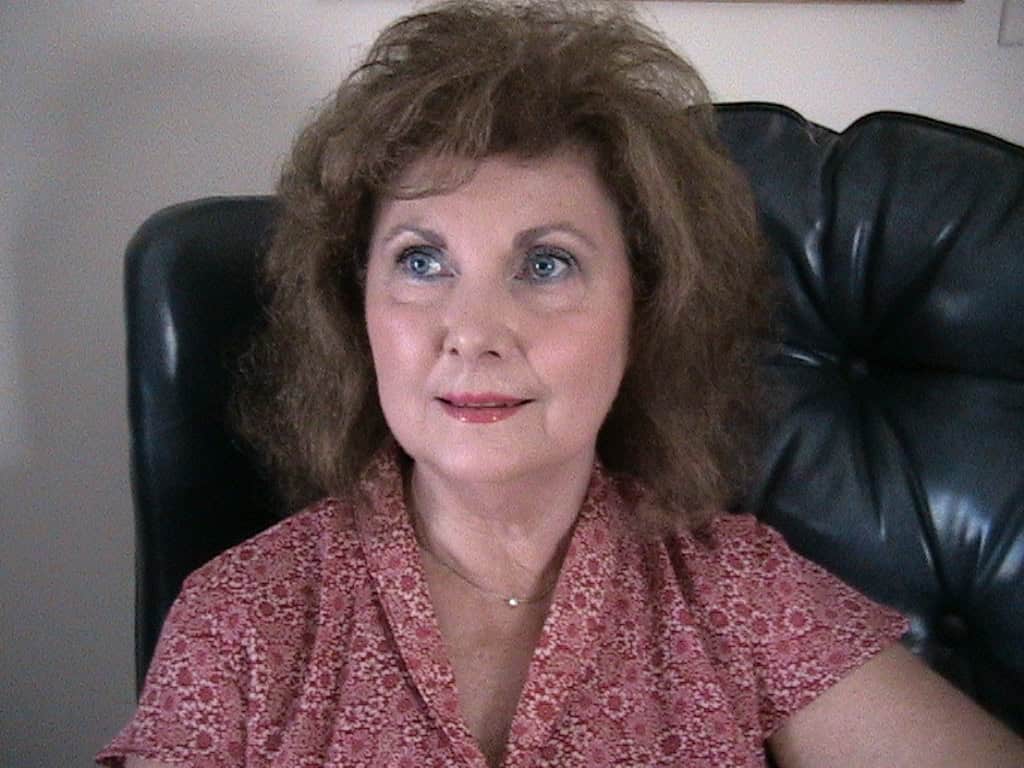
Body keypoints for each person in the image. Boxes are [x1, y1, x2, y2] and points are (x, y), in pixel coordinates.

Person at [99, 1, 1024, 766]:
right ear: (357, 309)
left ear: (644, 307)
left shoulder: (736, 591)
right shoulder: (243, 622)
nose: (475, 331)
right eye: (422, 261)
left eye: (546, 265)